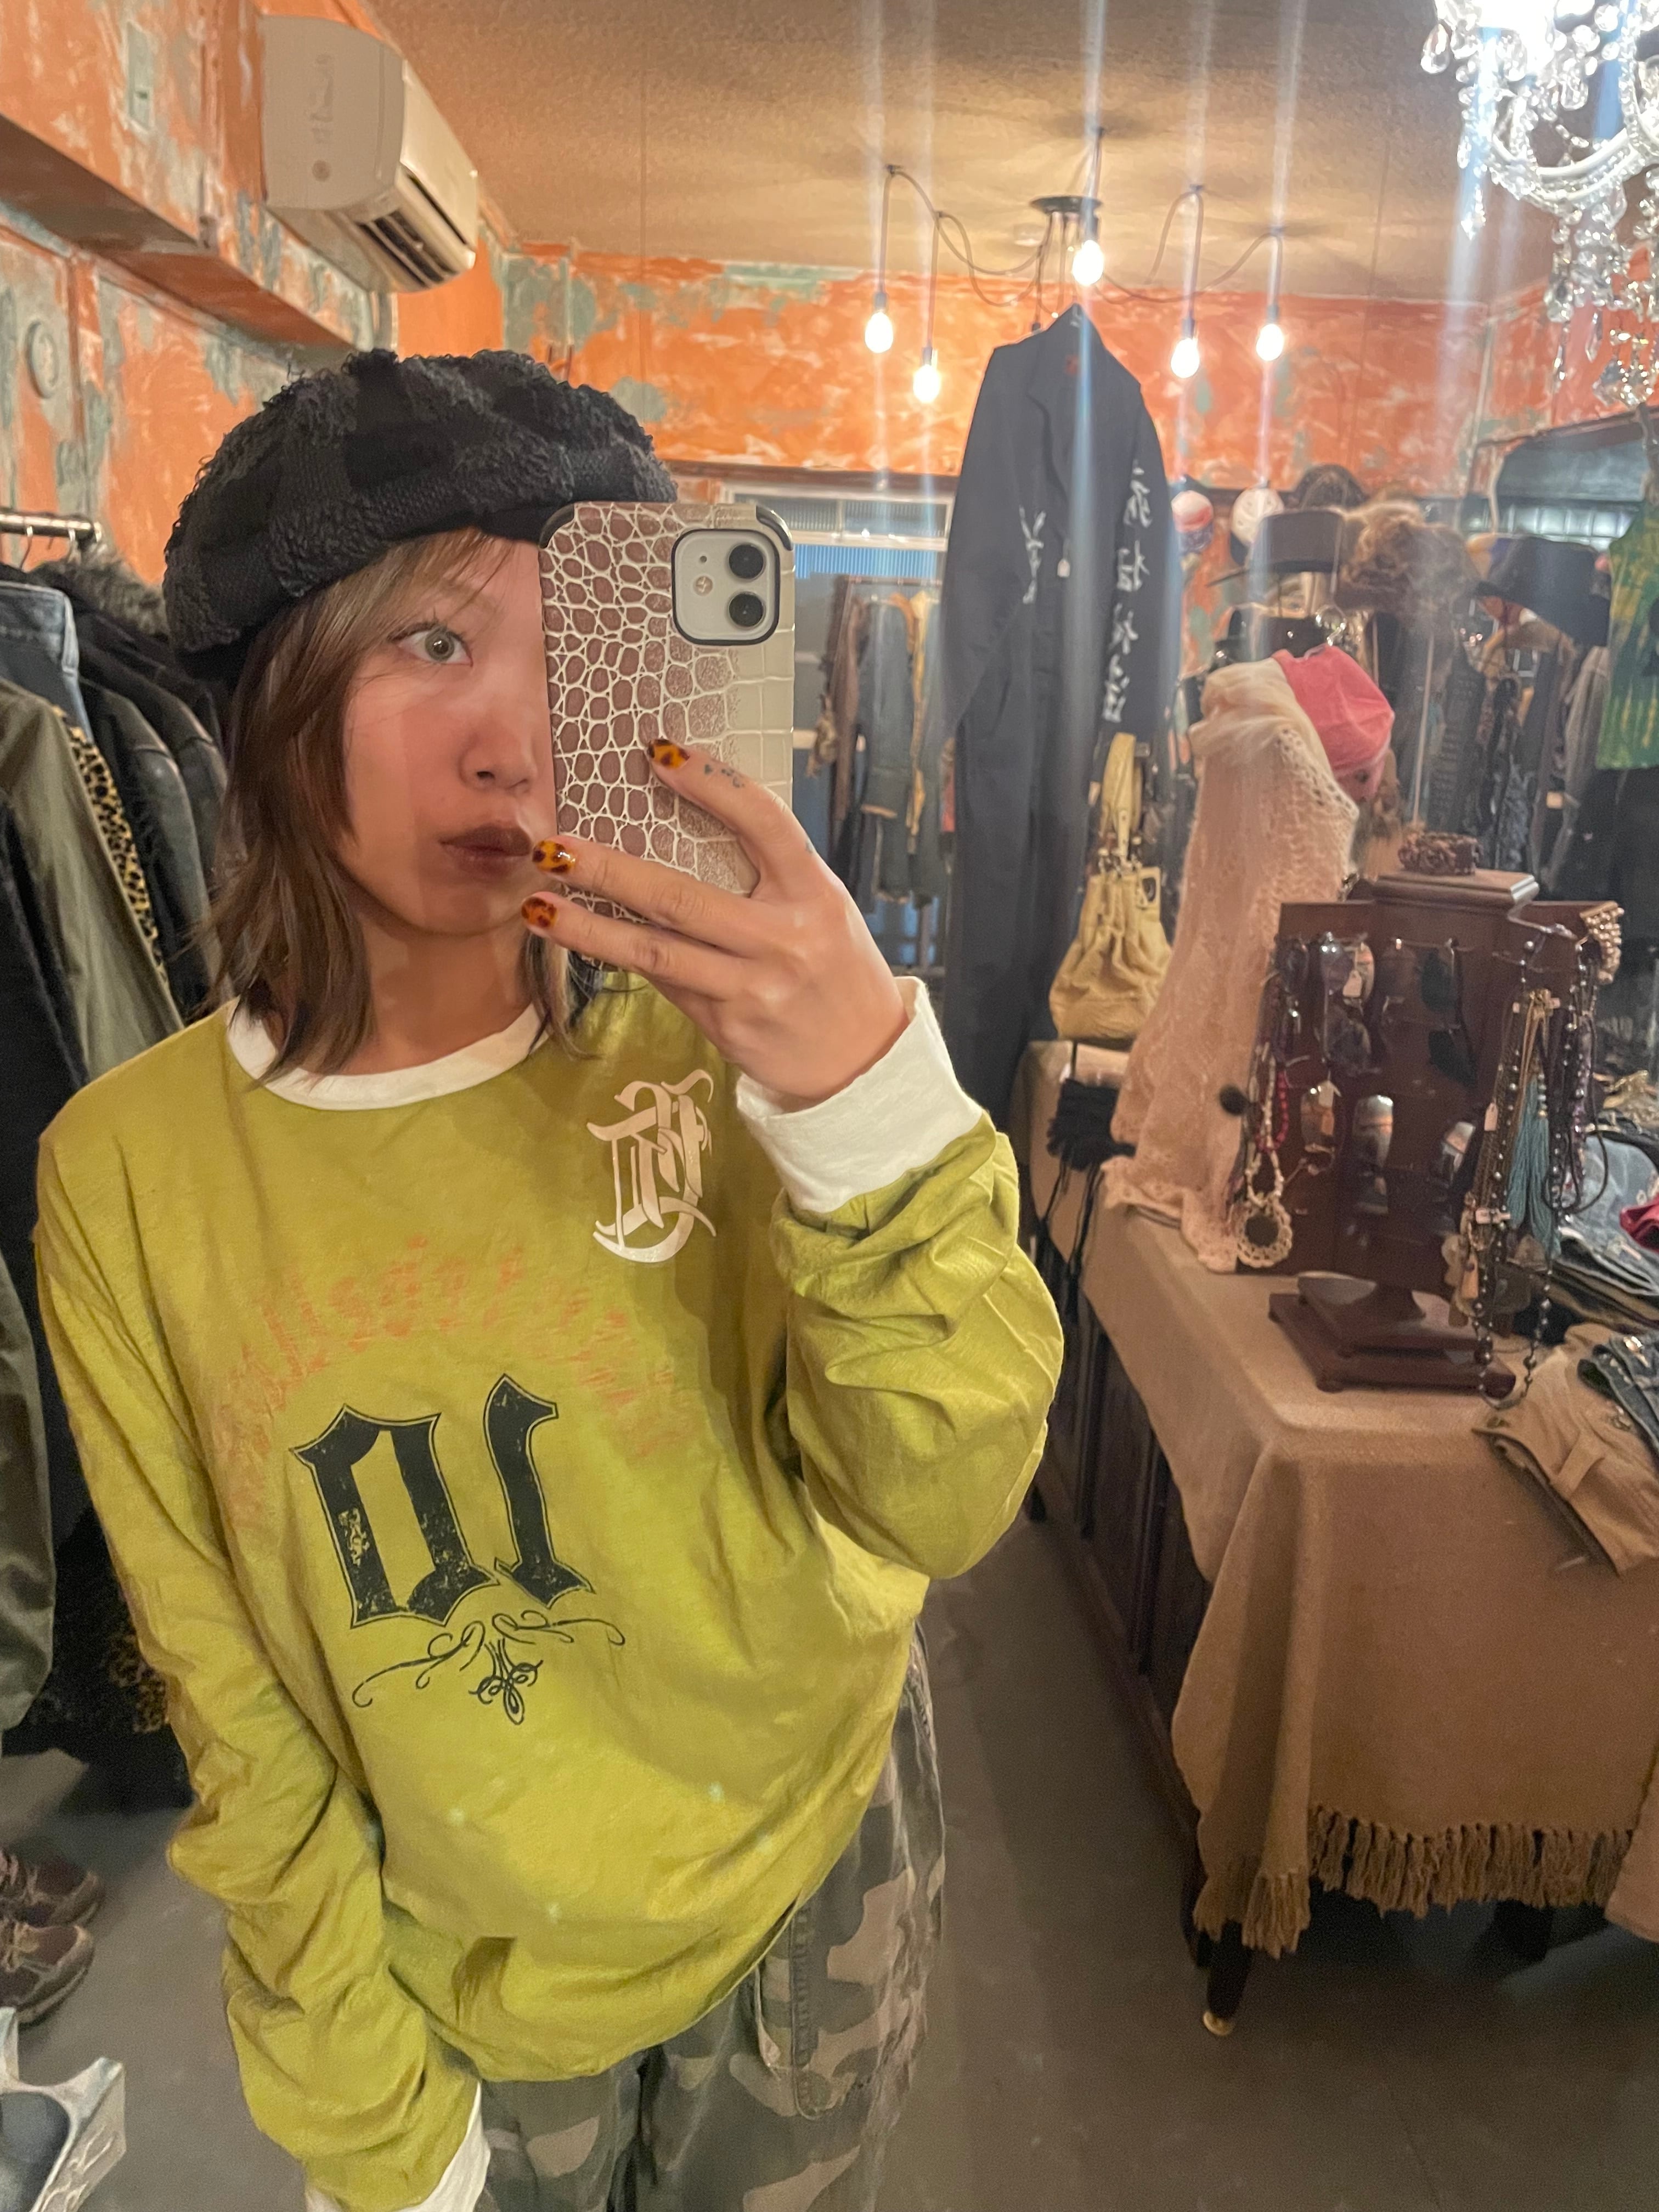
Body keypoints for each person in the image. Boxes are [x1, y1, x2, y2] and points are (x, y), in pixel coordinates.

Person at [32, 350, 1060, 2212]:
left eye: (565, 652)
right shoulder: (131, 1175)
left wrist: (870, 1105)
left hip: (811, 1881)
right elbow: (234, 1701)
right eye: (433, 643)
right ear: (273, 693)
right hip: (474, 1985)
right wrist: (376, 2126)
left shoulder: (726, 1043)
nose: (516, 743)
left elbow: (946, 1497)